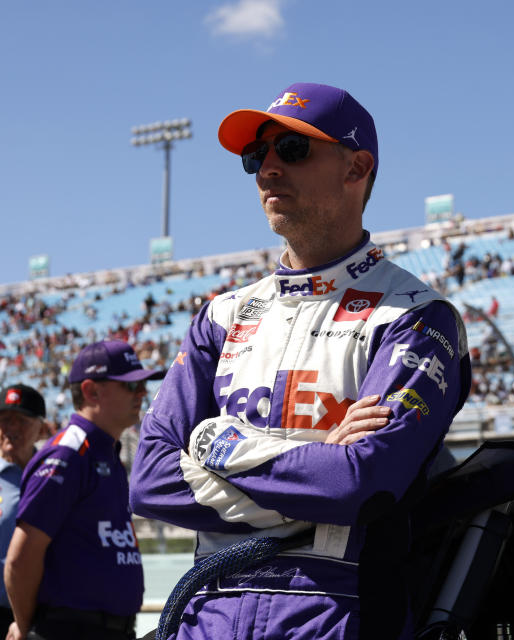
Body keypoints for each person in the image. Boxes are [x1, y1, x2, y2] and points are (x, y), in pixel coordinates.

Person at [129, 82, 471, 640]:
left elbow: (361, 484)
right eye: (255, 156)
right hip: (207, 613)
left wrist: (218, 444)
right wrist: (315, 463)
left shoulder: (417, 317)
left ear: (357, 168)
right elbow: (149, 481)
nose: (267, 170)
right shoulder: (222, 315)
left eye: (291, 150)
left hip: (339, 614)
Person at [4, 341, 163, 640]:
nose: (142, 393)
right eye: (131, 386)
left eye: (142, 384)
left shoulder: (103, 452)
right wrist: (25, 628)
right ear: (90, 391)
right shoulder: (68, 454)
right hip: (69, 629)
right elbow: (20, 558)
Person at [0, 385, 48, 633]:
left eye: (21, 420)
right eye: (5, 420)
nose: (11, 428)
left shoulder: (54, 478)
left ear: (41, 429)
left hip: (42, 617)